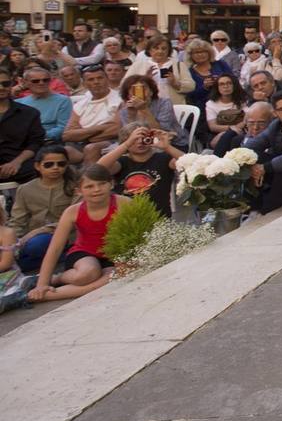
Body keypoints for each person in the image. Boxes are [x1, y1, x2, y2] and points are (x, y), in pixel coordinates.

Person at [26, 164, 127, 304]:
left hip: (114, 256)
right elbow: (55, 248)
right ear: (78, 191)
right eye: (89, 186)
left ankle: (43, 296)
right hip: (84, 254)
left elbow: (139, 232)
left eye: (102, 184)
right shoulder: (73, 211)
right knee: (88, 274)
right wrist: (42, 283)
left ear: (111, 184)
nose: (97, 190)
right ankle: (58, 278)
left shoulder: (124, 203)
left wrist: (128, 259)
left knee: (116, 277)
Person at [10, 145, 77, 272]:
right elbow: (18, 220)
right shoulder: (25, 189)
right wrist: (12, 243)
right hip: (31, 239)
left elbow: (75, 218)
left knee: (36, 246)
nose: (56, 168)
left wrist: (39, 231)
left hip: (66, 235)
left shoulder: (74, 186)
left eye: (61, 164)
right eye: (49, 164)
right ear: (37, 166)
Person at [98, 124, 182, 218]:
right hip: (128, 217)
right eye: (134, 139)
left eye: (144, 138)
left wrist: (167, 147)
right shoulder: (121, 162)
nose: (139, 142)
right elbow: (99, 169)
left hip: (159, 216)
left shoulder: (164, 159)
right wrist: (126, 144)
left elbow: (189, 163)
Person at [170, 39, 230, 141]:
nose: (200, 55)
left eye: (203, 51)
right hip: (202, 109)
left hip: (225, 104)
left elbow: (232, 80)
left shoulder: (220, 64)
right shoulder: (190, 71)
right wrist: (204, 87)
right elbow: (190, 93)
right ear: (191, 55)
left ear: (209, 52)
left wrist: (220, 81)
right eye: (196, 53)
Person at [62, 67, 123, 165]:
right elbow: (67, 135)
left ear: (107, 79)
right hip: (81, 144)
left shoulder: (120, 100)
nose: (96, 82)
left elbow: (116, 129)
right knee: (63, 151)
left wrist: (86, 136)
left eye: (100, 78)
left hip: (110, 142)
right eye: (91, 79)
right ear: (84, 84)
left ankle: (90, 179)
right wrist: (102, 127)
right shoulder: (80, 104)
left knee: (91, 148)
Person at [117, 74, 188, 149]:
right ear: (128, 95)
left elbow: (161, 132)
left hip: (171, 144)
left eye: (143, 89)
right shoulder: (125, 109)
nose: (140, 93)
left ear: (151, 92)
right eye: (134, 90)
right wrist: (131, 115)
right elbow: (128, 136)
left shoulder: (164, 103)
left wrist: (144, 109)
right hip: (140, 146)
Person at [0, 69, 43, 184]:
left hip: (20, 162)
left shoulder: (29, 113)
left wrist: (16, 162)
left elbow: (35, 143)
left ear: (11, 84)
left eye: (5, 84)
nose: (1, 88)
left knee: (40, 170)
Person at [17, 64, 73, 142]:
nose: (41, 83)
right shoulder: (19, 103)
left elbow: (63, 127)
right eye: (35, 81)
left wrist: (37, 137)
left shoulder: (63, 100)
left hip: (49, 142)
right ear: (25, 82)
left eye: (45, 80)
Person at [128, 36, 185, 103]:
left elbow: (191, 86)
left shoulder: (179, 65)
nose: (160, 51)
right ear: (149, 50)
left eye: (164, 48)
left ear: (169, 50)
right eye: (156, 48)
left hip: (173, 105)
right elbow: (126, 85)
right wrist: (145, 80)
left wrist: (175, 83)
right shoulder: (138, 65)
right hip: (145, 105)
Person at [204, 72, 247, 150]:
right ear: (217, 87)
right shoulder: (211, 104)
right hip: (218, 134)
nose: (226, 86)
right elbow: (213, 127)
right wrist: (233, 128)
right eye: (221, 84)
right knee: (225, 136)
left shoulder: (242, 100)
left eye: (229, 83)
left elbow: (248, 118)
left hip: (242, 131)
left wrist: (239, 127)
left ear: (234, 85)